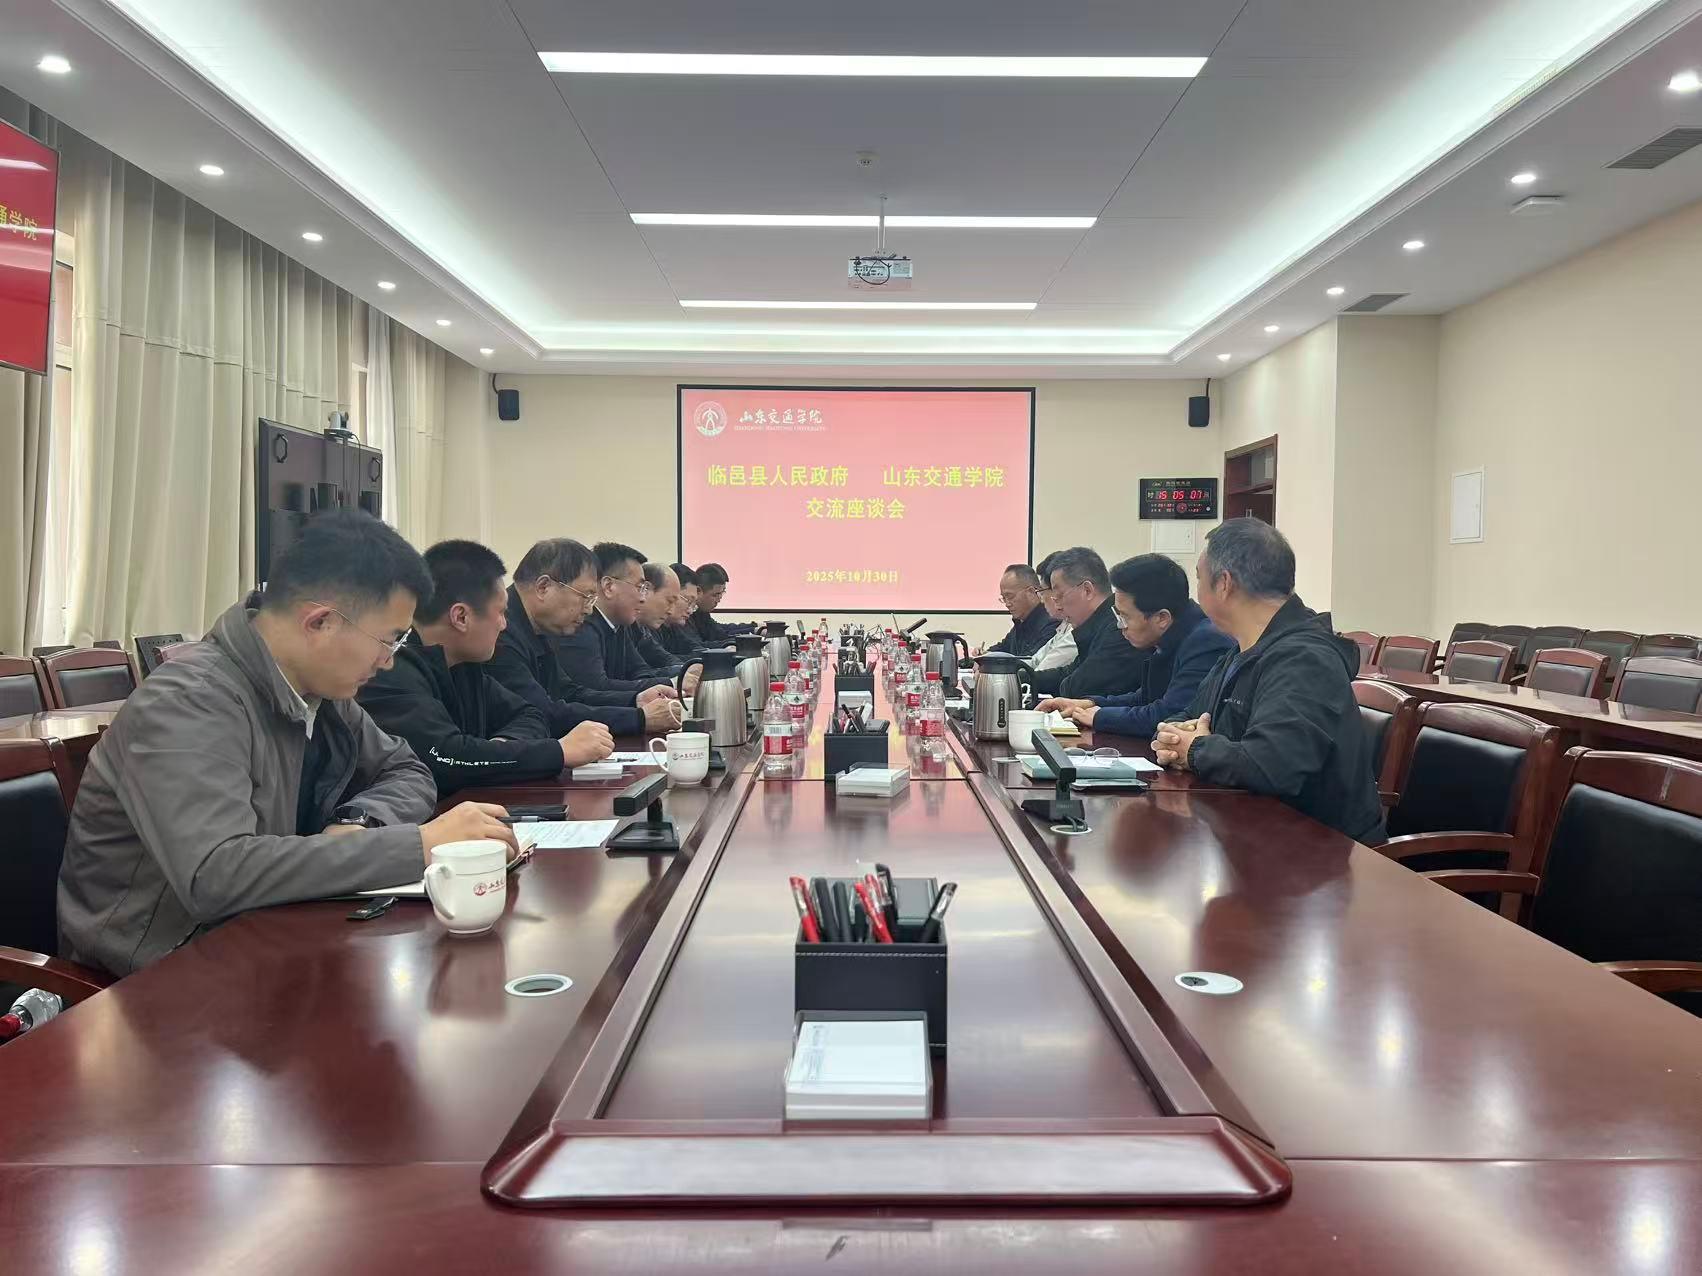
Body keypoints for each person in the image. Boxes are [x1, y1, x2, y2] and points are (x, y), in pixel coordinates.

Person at [57, 511, 518, 977]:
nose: (387, 662)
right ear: (320, 622)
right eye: (388, 641)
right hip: (156, 977)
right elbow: (216, 874)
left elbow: (408, 769)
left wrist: (358, 822)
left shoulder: (321, 693)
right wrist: (417, 845)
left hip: (270, 938)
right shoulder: (188, 701)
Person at [1153, 519, 1384, 843]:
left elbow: (1273, 765)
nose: (1198, 593)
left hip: (1320, 853)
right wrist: (1174, 738)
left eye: (1199, 579)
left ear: (1224, 584)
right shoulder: (1241, 650)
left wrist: (1196, 750)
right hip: (1250, 831)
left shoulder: (1304, 660)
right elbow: (1188, 715)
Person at [358, 540, 614, 794]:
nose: (504, 625)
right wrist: (558, 752)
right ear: (461, 617)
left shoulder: (463, 665)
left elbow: (530, 714)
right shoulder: (391, 671)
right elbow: (447, 757)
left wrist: (501, 747)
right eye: (500, 613)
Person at [487, 537, 682, 738]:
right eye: (586, 596)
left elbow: (569, 693)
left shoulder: (538, 627)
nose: (589, 610)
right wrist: (639, 718)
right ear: (543, 587)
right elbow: (542, 712)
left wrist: (635, 700)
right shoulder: (500, 632)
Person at [1038, 553, 1234, 738]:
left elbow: (1169, 714)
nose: (1119, 626)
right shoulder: (1170, 635)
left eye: (1125, 617)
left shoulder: (1206, 643)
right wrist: (1089, 704)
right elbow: (1145, 697)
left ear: (1161, 618)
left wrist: (1099, 717)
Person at [557, 543, 690, 697]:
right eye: (640, 587)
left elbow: (639, 671)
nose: (643, 598)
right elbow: (596, 687)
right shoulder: (581, 625)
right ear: (609, 586)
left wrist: (678, 678)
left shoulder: (619, 624)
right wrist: (672, 683)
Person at [1027, 547, 1149, 698]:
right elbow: (1070, 672)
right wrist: (1022, 676)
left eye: (1059, 596)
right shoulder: (1098, 625)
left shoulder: (1119, 627)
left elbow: (1079, 687)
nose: (1058, 606)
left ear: (1087, 590)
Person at [986, 563, 1058, 659]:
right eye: (1004, 598)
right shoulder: (1021, 622)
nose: (1007, 604)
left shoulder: (1051, 622)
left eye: (1010, 597)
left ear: (1031, 592)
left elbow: (1030, 660)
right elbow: (1002, 648)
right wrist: (984, 655)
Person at [1023, 551, 1079, 671]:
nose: (1041, 600)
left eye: (1042, 592)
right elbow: (1034, 661)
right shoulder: (1064, 625)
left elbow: (1042, 670)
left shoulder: (1075, 629)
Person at [632, 562, 689, 675]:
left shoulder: (641, 629)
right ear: (646, 589)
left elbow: (661, 658)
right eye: (669, 601)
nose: (671, 611)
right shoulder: (619, 624)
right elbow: (636, 675)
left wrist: (687, 669)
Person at [690, 562, 758, 644]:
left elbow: (719, 632)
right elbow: (697, 646)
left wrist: (754, 629)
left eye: (722, 593)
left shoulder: (701, 612)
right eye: (715, 595)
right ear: (698, 591)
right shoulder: (687, 615)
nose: (719, 600)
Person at [660, 563, 704, 658]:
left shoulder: (673, 627)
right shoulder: (646, 627)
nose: (690, 611)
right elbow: (660, 660)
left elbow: (694, 647)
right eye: (688, 601)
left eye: (694, 605)